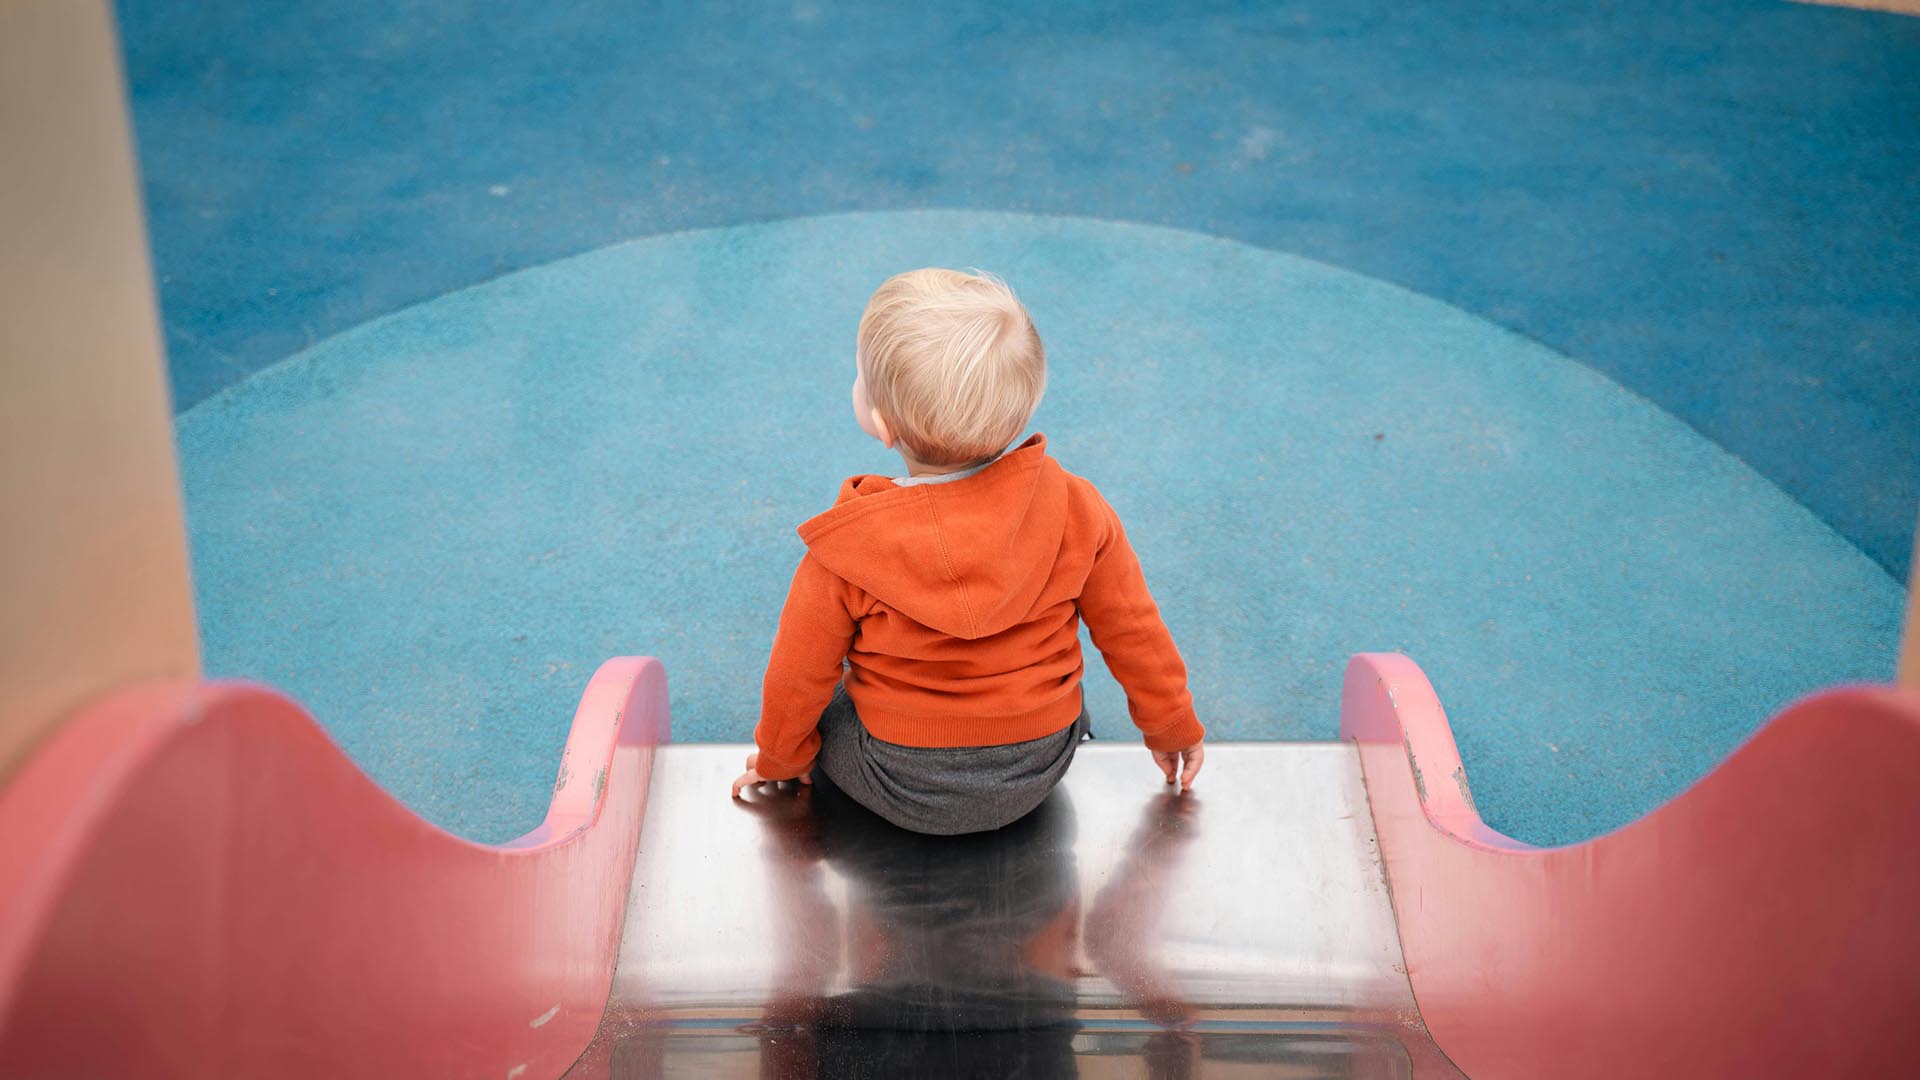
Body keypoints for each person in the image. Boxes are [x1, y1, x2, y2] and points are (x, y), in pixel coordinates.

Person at [732, 267, 1203, 833]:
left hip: (895, 779)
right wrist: (1172, 725)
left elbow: (795, 675)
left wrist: (781, 760)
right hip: (1040, 763)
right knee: (1057, 677)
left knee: (828, 695)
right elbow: (1132, 631)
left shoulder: (845, 548)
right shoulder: (1078, 508)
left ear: (881, 425)